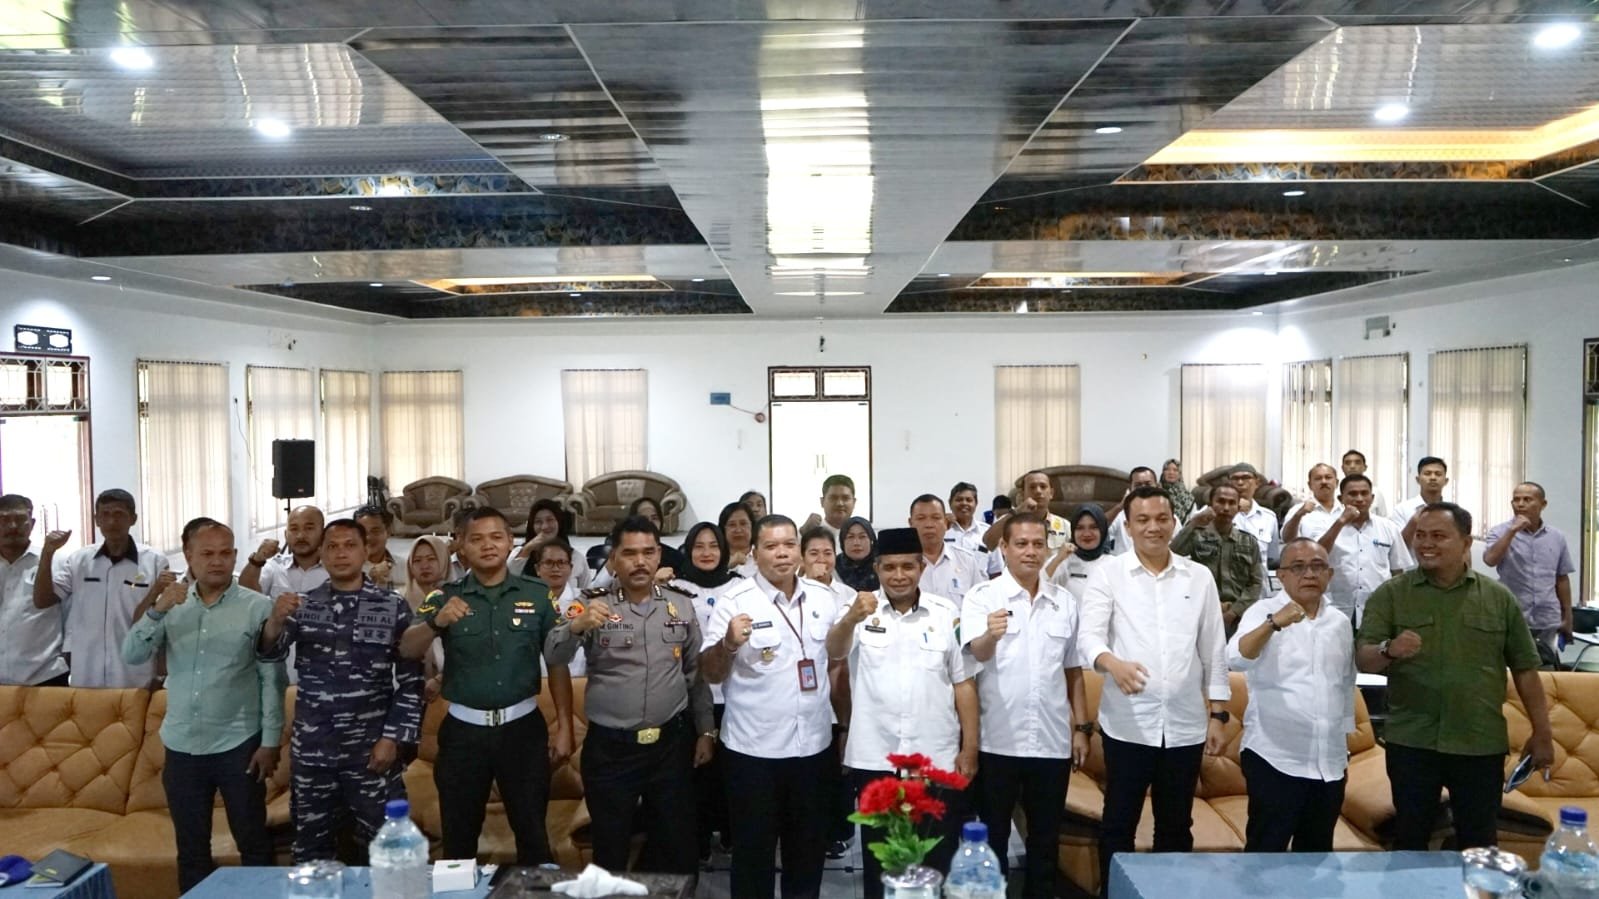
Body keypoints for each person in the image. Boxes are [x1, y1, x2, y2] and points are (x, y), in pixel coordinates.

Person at [1357, 502, 1554, 851]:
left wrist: (1542, 733)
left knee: (1479, 844)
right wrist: (1389, 650)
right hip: (1412, 742)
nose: (1425, 544)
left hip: (1479, 742)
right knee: (1410, 841)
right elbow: (1363, 660)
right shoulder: (1391, 594)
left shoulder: (1497, 598)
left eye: (1438, 536)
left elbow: (1525, 669)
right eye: (1420, 535)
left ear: (1466, 543)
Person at [398, 506, 575, 864]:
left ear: (511, 542)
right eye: (476, 539)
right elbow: (406, 647)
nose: (488, 545)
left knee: (532, 836)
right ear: (461, 547)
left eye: (497, 537)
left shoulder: (539, 594)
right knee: (459, 839)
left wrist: (565, 726)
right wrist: (437, 624)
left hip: (522, 732)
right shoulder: (443, 596)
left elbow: (557, 662)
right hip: (464, 734)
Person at [121, 519, 284, 893]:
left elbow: (271, 678)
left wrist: (271, 740)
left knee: (254, 845)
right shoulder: (171, 605)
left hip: (239, 744)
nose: (217, 562)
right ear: (189, 557)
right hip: (182, 747)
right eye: (207, 554)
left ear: (235, 556)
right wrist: (158, 610)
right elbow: (132, 654)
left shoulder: (257, 607)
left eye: (225, 553)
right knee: (191, 850)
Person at [1080, 485, 1230, 888]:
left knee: (1176, 826)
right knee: (1119, 824)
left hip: (1184, 727)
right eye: (1142, 520)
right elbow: (1089, 638)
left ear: (1174, 522)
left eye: (1161, 519)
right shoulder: (1107, 574)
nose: (1153, 528)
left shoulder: (1198, 577)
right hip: (1128, 725)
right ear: (1127, 527)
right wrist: (1112, 663)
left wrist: (1217, 714)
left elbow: (1214, 650)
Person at [546, 517, 714, 876]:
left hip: (670, 747)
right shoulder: (590, 603)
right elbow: (553, 655)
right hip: (611, 750)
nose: (640, 561)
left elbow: (695, 674)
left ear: (658, 556)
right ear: (614, 559)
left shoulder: (681, 605)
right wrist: (576, 626)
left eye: (648, 553)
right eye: (630, 553)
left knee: (678, 848)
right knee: (610, 849)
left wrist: (705, 730)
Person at [259, 519, 423, 864]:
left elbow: (411, 682)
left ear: (366, 552)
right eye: (332, 546)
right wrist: (274, 620)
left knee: (387, 852)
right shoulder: (304, 605)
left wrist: (393, 738)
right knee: (310, 851)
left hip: (371, 753)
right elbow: (269, 653)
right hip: (314, 754)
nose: (341, 553)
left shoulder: (391, 606)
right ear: (321, 553)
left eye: (350, 545)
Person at [827, 527, 978, 899]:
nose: (899, 576)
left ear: (921, 568)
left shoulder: (946, 614)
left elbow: (964, 684)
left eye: (907, 567)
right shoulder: (860, 611)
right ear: (876, 568)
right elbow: (834, 651)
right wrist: (849, 618)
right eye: (890, 567)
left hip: (935, 757)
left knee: (935, 859)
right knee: (883, 864)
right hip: (877, 757)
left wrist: (970, 747)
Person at [699, 514, 835, 899]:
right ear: (755, 554)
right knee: (754, 855)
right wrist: (727, 644)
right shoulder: (735, 601)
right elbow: (709, 673)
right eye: (772, 547)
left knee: (807, 853)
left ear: (799, 550)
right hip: (753, 753)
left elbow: (837, 661)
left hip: (812, 747)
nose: (782, 554)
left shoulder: (824, 598)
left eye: (789, 545)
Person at [962, 511, 1088, 899]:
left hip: (1050, 741)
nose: (1030, 552)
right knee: (993, 838)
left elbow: (1073, 670)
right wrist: (990, 635)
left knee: (1045, 839)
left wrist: (1081, 728)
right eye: (1021, 544)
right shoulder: (982, 597)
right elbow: (973, 657)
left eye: (1038, 544)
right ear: (1004, 548)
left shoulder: (1064, 602)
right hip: (997, 740)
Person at [1227, 539, 1355, 852]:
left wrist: (1345, 738)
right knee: (1265, 856)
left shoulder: (1339, 622)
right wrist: (1273, 624)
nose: (1309, 574)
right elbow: (1234, 658)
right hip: (1275, 758)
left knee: (1315, 856)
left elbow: (1345, 683)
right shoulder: (1263, 611)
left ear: (1330, 574)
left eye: (1317, 566)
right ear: (1281, 575)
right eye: (1298, 567)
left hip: (1329, 762)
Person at [36, 488, 170, 688]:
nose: (111, 522)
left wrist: (161, 673)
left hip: (135, 672)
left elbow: (162, 620)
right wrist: (47, 554)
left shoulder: (154, 561)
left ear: (133, 519)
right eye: (105, 515)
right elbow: (43, 600)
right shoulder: (79, 560)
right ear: (96, 520)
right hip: (87, 672)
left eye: (119, 515)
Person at [673, 522, 742, 860]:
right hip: (690, 697)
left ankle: (731, 834)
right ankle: (698, 840)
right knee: (696, 775)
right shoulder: (672, 588)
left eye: (713, 545)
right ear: (688, 550)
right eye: (698, 546)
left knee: (731, 775)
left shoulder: (740, 587)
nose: (706, 552)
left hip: (732, 697)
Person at [1300, 474, 1412, 626]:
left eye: (1364, 493)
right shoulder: (1327, 525)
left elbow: (1397, 571)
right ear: (1341, 499)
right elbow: (1317, 554)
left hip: (1378, 608)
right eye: (1352, 494)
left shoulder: (1388, 527)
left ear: (1372, 498)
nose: (1359, 499)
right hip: (1336, 607)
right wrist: (1341, 522)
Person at [1483, 482, 1576, 656]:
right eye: (1516, 500)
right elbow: (1490, 560)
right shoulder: (1499, 531)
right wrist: (1512, 531)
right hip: (1512, 616)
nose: (1520, 504)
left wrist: (1568, 617)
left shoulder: (1556, 537)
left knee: (1545, 671)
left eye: (1527, 499)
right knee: (1512, 670)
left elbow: (1562, 578)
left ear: (1543, 504)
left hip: (1547, 617)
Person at [1170, 483, 1263, 634]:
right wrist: (1193, 523)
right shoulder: (1196, 534)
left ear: (1238, 508)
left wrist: (1233, 612)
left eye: (1232, 503)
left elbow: (1256, 583)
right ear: (1210, 505)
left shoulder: (1248, 542)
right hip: (1201, 612)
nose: (1226, 508)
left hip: (1238, 617)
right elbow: (1172, 555)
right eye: (1220, 501)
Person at [0, 495, 67, 686]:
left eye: (20, 519)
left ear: (32, 523)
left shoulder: (58, 561)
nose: (13, 526)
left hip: (44, 676)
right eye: (4, 520)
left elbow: (73, 617)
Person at [402, 535, 452, 702]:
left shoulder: (458, 598)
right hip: (406, 688)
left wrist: (440, 679)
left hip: (451, 685)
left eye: (431, 559)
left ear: (444, 561)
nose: (424, 566)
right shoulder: (398, 600)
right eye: (417, 561)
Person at [241, 505, 329, 597]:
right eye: (294, 529)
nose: (300, 536)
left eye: (309, 528)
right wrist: (257, 559)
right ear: (286, 535)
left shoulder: (335, 568)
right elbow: (246, 595)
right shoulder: (275, 566)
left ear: (323, 533)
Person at [910, 494, 985, 602]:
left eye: (936, 518)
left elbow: (980, 603)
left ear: (945, 523)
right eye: (921, 518)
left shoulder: (966, 561)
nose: (929, 524)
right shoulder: (900, 564)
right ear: (910, 523)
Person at [982, 470, 1070, 552]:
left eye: (1043, 486)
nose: (1038, 491)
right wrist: (1016, 512)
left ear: (1051, 493)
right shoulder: (1010, 521)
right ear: (1022, 494)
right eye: (1032, 487)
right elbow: (988, 543)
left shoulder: (1064, 525)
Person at [512, 499, 589, 587]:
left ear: (559, 522)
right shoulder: (519, 553)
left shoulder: (576, 557)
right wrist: (528, 548)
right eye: (538, 522)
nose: (544, 527)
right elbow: (507, 580)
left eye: (550, 520)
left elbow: (586, 592)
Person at [1046, 504, 1112, 602]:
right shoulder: (1062, 560)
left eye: (1093, 527)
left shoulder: (1114, 564)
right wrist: (1057, 560)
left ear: (1102, 530)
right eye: (1080, 528)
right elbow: (1037, 586)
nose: (1086, 534)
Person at [1391, 456, 1449, 547]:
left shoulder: (1452, 512)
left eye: (1438, 474)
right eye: (1427, 473)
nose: (1433, 477)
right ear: (1418, 480)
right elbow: (1397, 546)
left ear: (1446, 481)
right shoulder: (1401, 510)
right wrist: (1414, 522)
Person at [1104, 467, 1159, 555]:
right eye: (1138, 485)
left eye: (1148, 484)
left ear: (1157, 486)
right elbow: (1098, 526)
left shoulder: (1167, 517)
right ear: (1130, 489)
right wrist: (1120, 507)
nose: (1143, 489)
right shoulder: (1120, 515)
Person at [1281, 463, 1341, 542]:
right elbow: (1287, 540)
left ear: (1336, 483)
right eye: (1318, 478)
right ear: (1310, 485)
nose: (1323, 481)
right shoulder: (1297, 510)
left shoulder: (1345, 510)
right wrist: (1298, 515)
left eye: (1328, 477)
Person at [355, 504, 406, 594]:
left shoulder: (405, 566)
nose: (368, 538)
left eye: (375, 531)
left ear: (388, 532)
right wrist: (369, 580)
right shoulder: (348, 568)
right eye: (362, 532)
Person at [802, 474, 858, 540]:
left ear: (854, 502)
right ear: (822, 502)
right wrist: (803, 533)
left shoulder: (861, 536)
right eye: (833, 498)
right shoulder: (809, 533)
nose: (840, 503)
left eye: (845, 498)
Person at [1341, 450, 1389, 519]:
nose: (1352, 466)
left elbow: (1383, 518)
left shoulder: (1376, 492)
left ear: (1365, 467)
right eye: (1348, 463)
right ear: (1342, 468)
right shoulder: (1335, 493)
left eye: (1357, 463)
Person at [835, 517, 879, 592]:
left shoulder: (882, 566)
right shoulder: (834, 566)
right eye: (850, 537)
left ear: (871, 540)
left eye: (862, 537)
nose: (856, 543)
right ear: (842, 542)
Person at [718, 501, 757, 577]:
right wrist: (726, 566)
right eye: (732, 525)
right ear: (723, 529)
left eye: (743, 523)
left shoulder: (763, 556)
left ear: (752, 526)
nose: (738, 530)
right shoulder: (714, 558)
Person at [945, 482, 986, 554]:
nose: (964, 503)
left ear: (976, 503)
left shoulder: (986, 532)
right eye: (959, 500)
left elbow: (996, 565)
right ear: (950, 503)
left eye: (969, 500)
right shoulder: (940, 530)